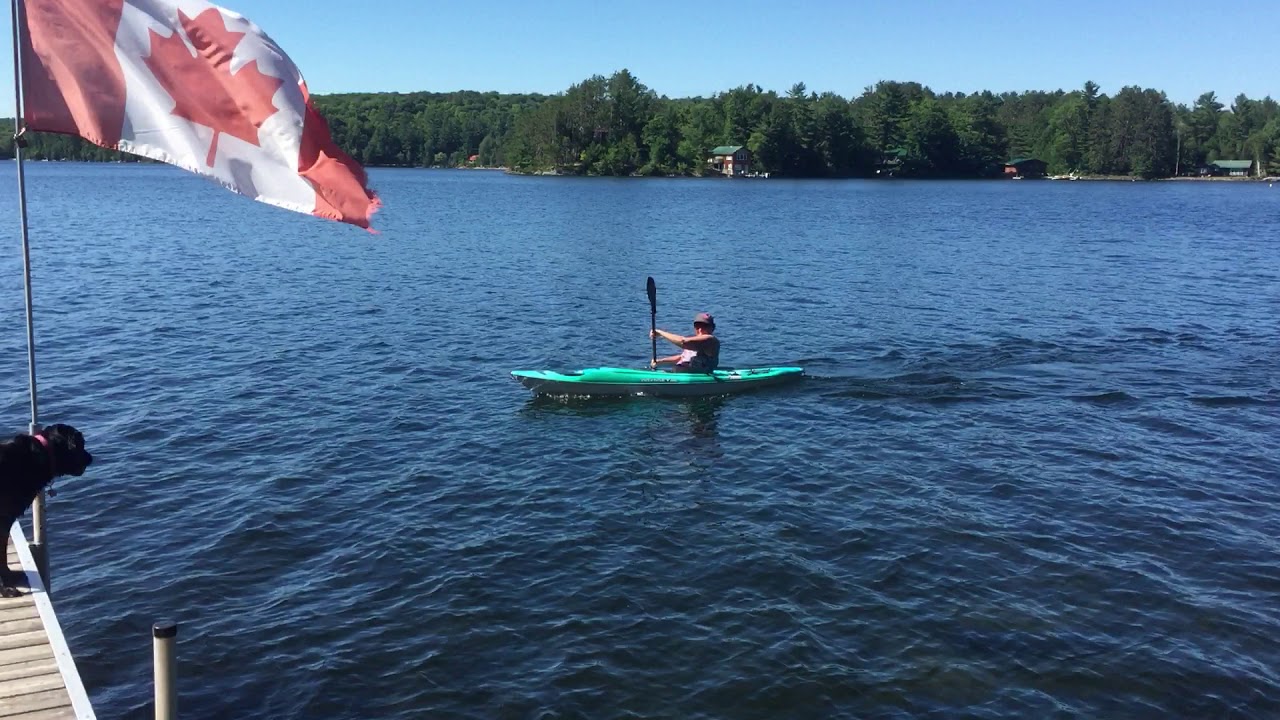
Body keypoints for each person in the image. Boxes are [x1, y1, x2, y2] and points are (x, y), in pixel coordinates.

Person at [651, 312, 720, 372]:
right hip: (681, 374)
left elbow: (683, 342)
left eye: (705, 326)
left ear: (713, 328)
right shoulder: (694, 341)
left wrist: (660, 333)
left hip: (698, 378)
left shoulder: (711, 340)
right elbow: (682, 357)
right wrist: (660, 361)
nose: (700, 329)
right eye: (697, 326)